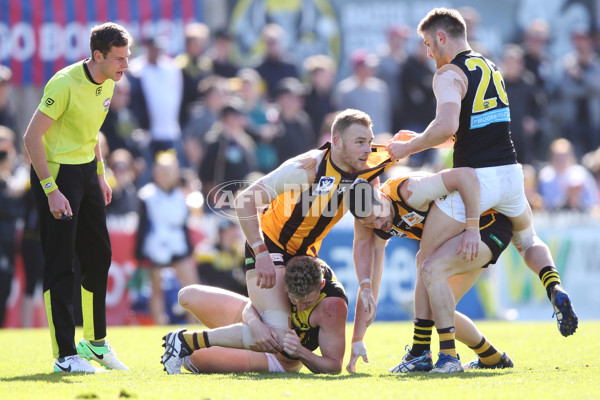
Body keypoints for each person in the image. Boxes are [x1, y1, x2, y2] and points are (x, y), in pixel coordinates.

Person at [385, 8, 577, 372]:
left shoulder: (448, 72)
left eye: (428, 44)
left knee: (425, 262)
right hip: (511, 175)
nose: (428, 53)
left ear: (442, 37)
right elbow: (473, 130)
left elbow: (446, 126)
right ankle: (554, 286)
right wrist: (427, 141)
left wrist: (409, 148)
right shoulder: (490, 66)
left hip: (477, 180)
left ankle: (426, 353)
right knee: (528, 240)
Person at [231, 109, 394, 366]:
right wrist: (260, 252)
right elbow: (244, 201)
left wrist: (358, 334)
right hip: (271, 245)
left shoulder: (368, 170)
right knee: (282, 350)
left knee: (305, 342)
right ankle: (239, 318)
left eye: (370, 141)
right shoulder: (305, 169)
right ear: (337, 143)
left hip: (306, 255)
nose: (368, 149)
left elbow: (367, 243)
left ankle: (253, 314)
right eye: (360, 142)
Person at [22, 22, 130, 373]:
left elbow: (91, 132)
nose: (124, 65)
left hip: (86, 173)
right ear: (97, 56)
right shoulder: (64, 83)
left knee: (99, 256)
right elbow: (31, 137)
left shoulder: (108, 82)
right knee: (61, 265)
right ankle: (65, 356)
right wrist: (51, 190)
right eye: (118, 58)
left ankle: (95, 344)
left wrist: (99, 176)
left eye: (127, 57)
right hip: (57, 176)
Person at [347, 170, 514, 374]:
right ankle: (492, 357)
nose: (378, 225)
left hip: (486, 227)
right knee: (438, 312)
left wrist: (472, 228)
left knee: (425, 264)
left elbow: (464, 176)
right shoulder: (375, 216)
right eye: (370, 223)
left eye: (378, 218)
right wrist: (358, 339)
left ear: (382, 196)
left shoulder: (411, 190)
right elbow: (373, 277)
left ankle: (440, 356)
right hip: (462, 240)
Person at [161, 255, 347, 374]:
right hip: (256, 323)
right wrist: (255, 324)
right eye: (293, 300)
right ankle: (190, 340)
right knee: (187, 296)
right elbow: (252, 304)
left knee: (192, 359)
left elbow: (334, 367)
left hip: (278, 357)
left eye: (306, 303)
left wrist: (301, 352)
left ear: (321, 286)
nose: (299, 308)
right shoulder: (284, 271)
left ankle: (187, 340)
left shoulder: (332, 306)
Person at [136, 151, 199, 325]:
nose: (166, 176)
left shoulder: (182, 195)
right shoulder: (146, 195)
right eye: (162, 171)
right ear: (155, 173)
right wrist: (140, 254)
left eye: (169, 171)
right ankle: (158, 323)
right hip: (156, 245)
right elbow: (142, 226)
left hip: (178, 244)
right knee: (156, 288)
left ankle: (193, 323)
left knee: (192, 286)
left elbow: (185, 224)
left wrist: (189, 248)